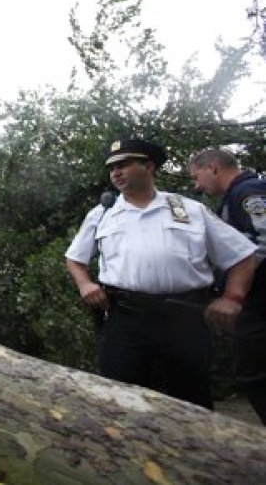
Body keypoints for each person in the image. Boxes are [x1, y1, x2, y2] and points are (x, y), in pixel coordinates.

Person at [65, 138, 256, 409]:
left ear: (149, 167)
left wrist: (233, 297)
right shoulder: (102, 214)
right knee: (118, 399)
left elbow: (242, 255)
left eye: (124, 164)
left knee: (193, 402)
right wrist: (85, 284)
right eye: (112, 167)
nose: (116, 172)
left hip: (184, 319)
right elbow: (74, 258)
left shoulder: (187, 209)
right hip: (126, 319)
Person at [189, 149, 266, 423]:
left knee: (255, 374)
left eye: (197, 177)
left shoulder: (248, 192)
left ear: (212, 168)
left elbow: (261, 243)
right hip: (254, 300)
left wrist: (236, 289)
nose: (197, 186)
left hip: (259, 299)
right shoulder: (234, 197)